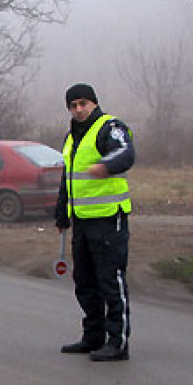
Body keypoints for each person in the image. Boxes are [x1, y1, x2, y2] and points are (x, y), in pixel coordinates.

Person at [56, 83, 135, 362]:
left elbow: (125, 154)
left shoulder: (108, 127)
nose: (79, 109)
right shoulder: (71, 137)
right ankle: (93, 337)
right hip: (82, 221)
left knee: (110, 281)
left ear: (93, 103)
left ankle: (118, 342)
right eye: (73, 105)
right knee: (84, 281)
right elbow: (69, 177)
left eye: (83, 104)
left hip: (108, 219)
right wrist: (61, 212)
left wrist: (106, 165)